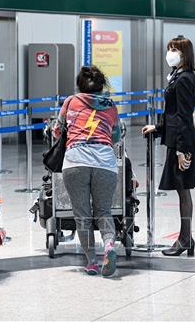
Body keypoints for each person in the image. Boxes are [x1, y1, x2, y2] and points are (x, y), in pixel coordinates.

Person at [53, 66, 121, 276]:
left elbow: (57, 131)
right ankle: (109, 244)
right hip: (104, 162)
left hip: (76, 161)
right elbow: (116, 136)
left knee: (82, 215)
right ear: (101, 85)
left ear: (80, 85)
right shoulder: (110, 105)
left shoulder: (71, 101)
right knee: (103, 211)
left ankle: (91, 262)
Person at [142, 36, 195, 256]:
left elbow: (183, 116)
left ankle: (185, 239)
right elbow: (173, 113)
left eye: (175, 49)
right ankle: (186, 239)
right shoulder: (178, 75)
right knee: (181, 190)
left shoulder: (185, 78)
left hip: (181, 143)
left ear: (185, 54)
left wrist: (181, 150)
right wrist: (157, 127)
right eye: (169, 49)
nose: (171, 53)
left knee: (183, 191)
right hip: (177, 140)